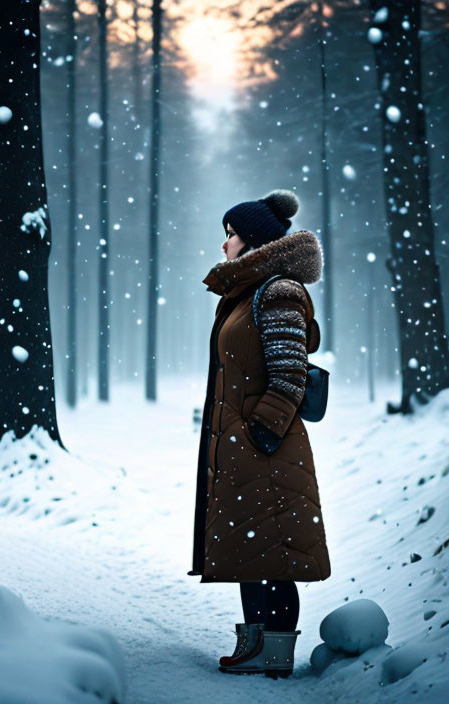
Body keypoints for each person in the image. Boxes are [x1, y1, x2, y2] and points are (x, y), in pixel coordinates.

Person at [191, 189, 331, 679]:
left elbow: (290, 373)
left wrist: (261, 432)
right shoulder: (247, 291)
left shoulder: (276, 292)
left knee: (272, 552)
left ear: (251, 240)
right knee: (251, 548)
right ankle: (255, 644)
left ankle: (274, 653)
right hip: (242, 445)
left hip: (263, 446)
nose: (224, 244)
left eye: (230, 234)